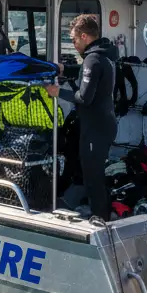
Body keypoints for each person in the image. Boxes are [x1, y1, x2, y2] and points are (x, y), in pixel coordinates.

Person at [46, 14, 118, 219]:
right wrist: (64, 68)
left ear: (85, 36)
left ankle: (100, 218)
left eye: (74, 40)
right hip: (104, 124)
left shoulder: (92, 59)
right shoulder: (105, 54)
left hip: (95, 128)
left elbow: (84, 98)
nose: (74, 44)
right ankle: (101, 212)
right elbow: (88, 73)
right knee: (94, 173)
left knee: (92, 176)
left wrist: (57, 92)